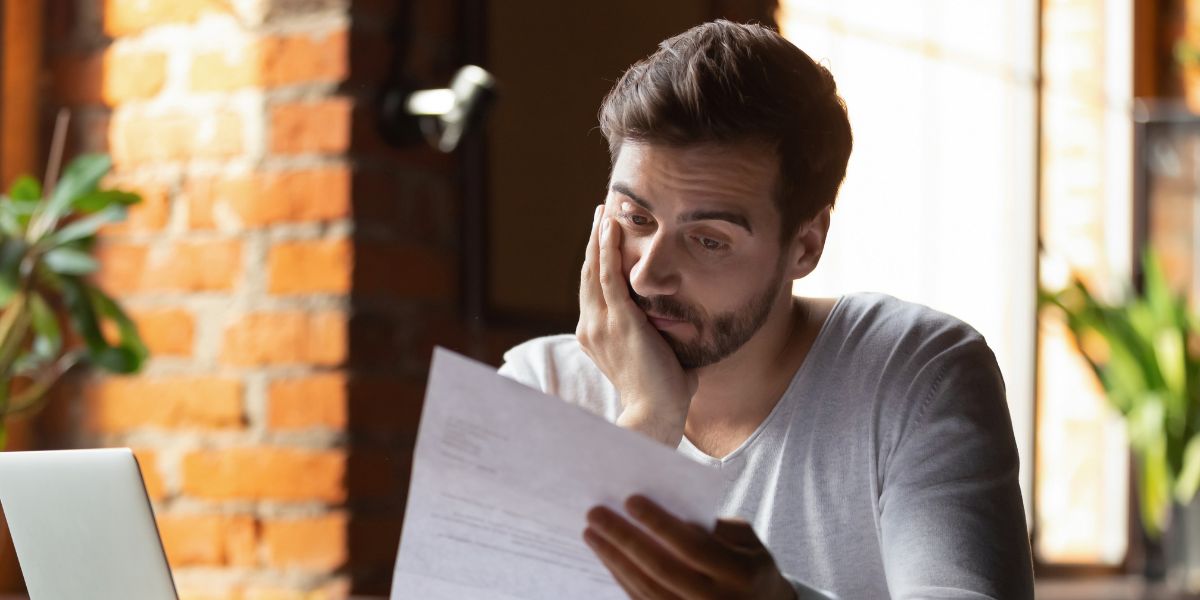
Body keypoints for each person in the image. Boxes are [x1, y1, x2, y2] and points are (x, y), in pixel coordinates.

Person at [497, 19, 1034, 600]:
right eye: (636, 219)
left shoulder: (917, 373)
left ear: (804, 246)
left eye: (708, 240)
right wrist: (647, 420)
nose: (648, 274)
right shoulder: (539, 386)